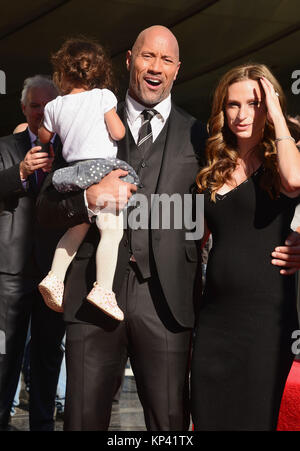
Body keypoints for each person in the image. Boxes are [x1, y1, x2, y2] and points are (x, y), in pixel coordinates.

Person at [37, 28, 300, 431]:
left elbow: (255, 204)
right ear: (129, 61)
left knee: (171, 429)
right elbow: (45, 206)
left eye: (165, 60)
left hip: (169, 307)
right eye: (147, 56)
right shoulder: (86, 116)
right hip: (91, 300)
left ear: (177, 70)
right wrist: (90, 198)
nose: (155, 67)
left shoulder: (204, 137)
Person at [191, 63, 300, 431]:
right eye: (232, 104)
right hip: (214, 320)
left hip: (266, 323)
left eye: (253, 103)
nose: (241, 114)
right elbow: (193, 234)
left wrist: (278, 116)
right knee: (208, 418)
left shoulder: (285, 156)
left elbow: (295, 181)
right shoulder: (212, 162)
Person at [38, 38, 139, 321]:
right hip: (102, 170)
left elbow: (45, 137)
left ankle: (55, 276)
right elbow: (118, 133)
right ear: (97, 71)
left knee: (76, 227)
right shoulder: (103, 97)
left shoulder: (55, 106)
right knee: (112, 231)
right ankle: (103, 289)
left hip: (73, 173)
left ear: (63, 72)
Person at [0, 75, 66, 431]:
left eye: (47, 105)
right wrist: (21, 171)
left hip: (53, 270)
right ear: (24, 108)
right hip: (9, 270)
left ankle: (43, 422)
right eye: (35, 105)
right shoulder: (5, 146)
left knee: (47, 353)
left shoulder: (71, 149)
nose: (41, 112)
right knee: (5, 354)